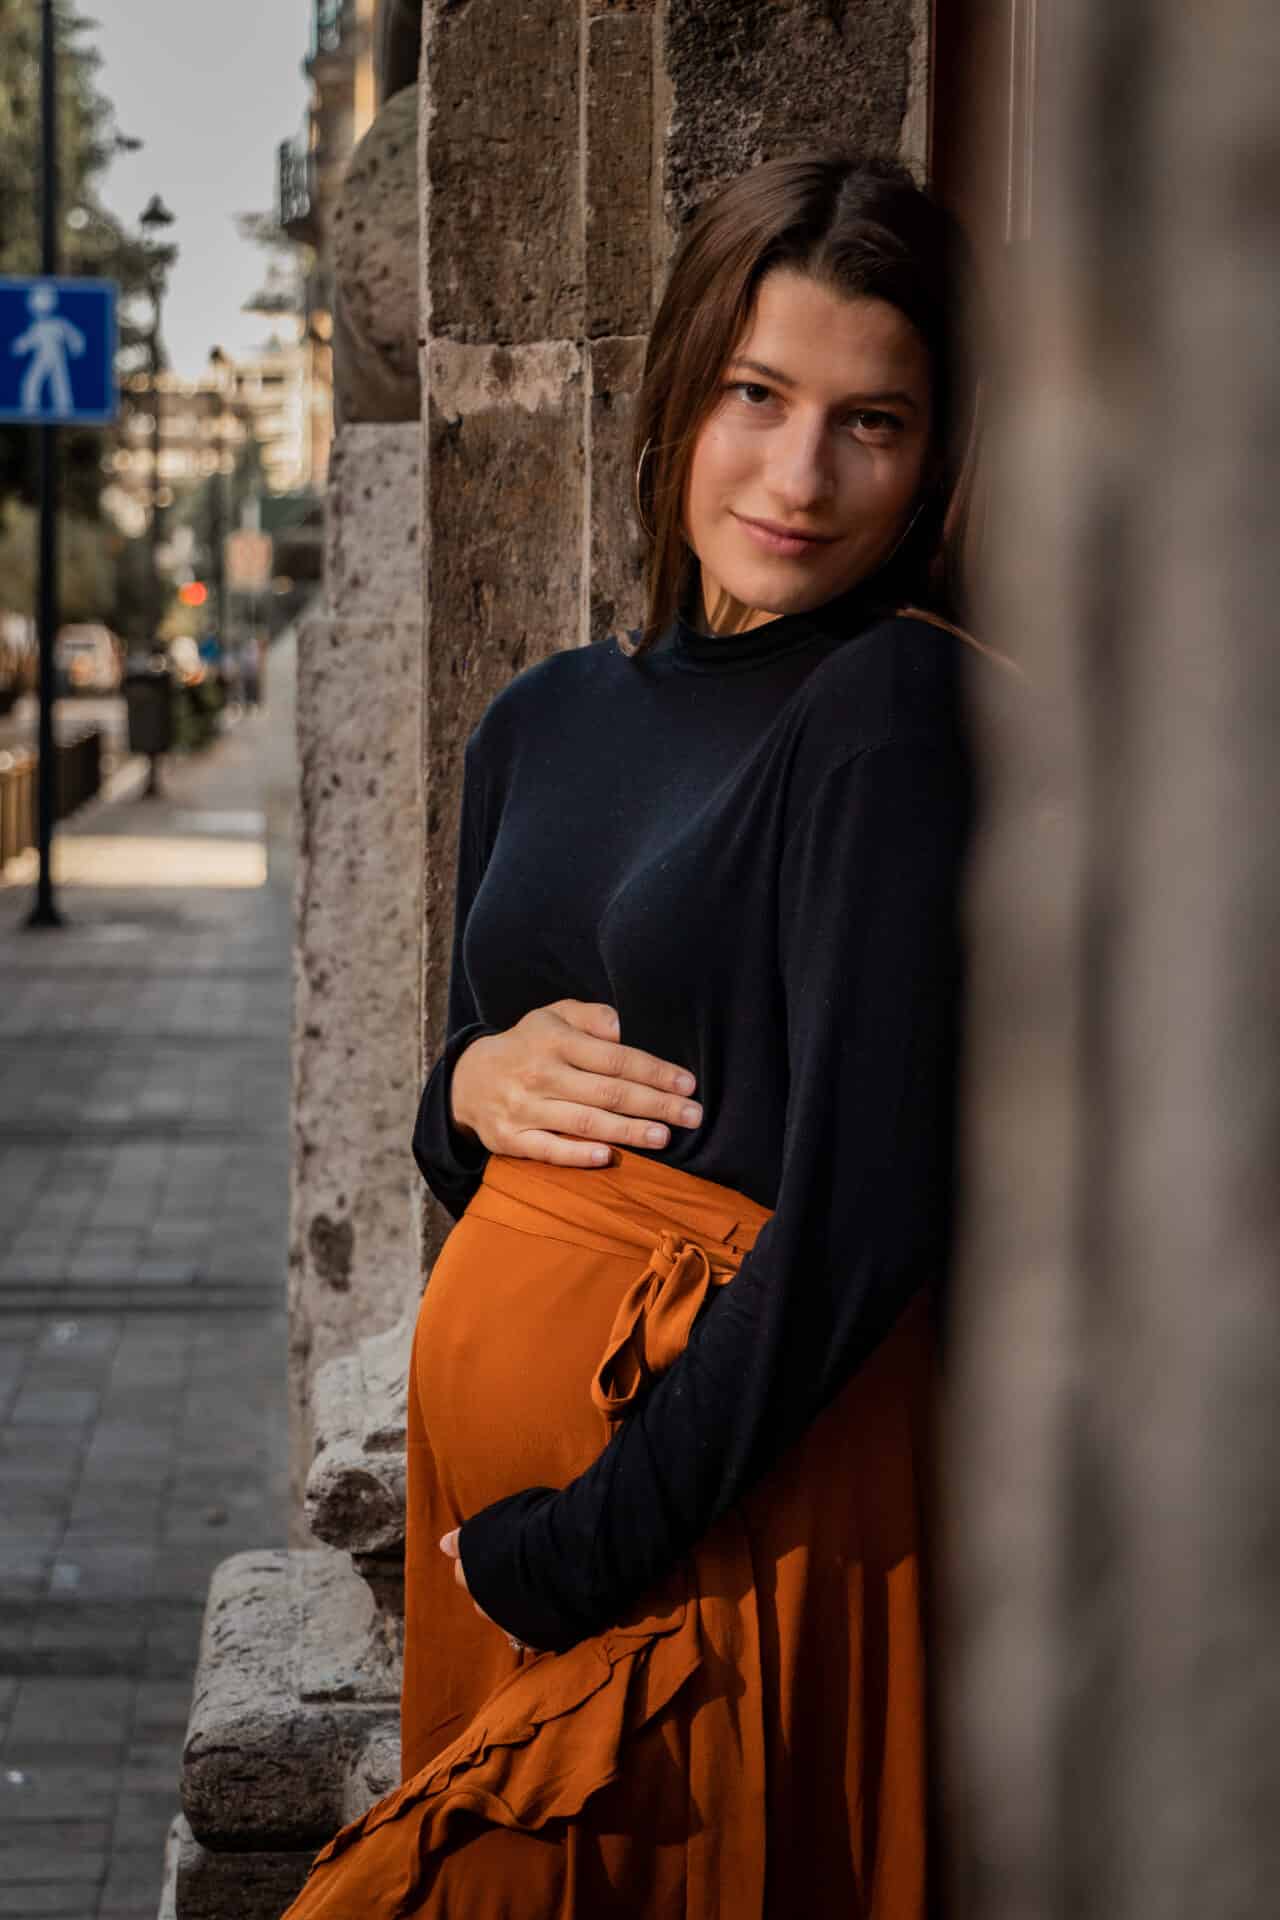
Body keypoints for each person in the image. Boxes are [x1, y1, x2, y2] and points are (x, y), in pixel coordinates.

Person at [283, 149, 1010, 1920]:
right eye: (759, 396)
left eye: (874, 422)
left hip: (705, 1539)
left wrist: (587, 1545)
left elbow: (865, 1218)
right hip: (527, 1542)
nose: (799, 474)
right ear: (683, 382)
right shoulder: (547, 717)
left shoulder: (894, 706)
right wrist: (461, 1081)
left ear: (937, 459)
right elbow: (466, 1111)